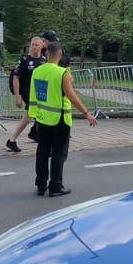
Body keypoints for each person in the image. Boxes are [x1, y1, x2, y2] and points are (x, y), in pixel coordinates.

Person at [29, 41, 97, 197]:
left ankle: (40, 184)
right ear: (59, 54)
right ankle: (55, 186)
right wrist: (87, 113)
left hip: (42, 117)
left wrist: (34, 114)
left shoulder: (37, 71)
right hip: (60, 119)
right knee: (59, 153)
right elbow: (71, 96)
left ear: (46, 54)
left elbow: (34, 95)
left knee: (42, 152)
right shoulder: (62, 73)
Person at [5, 37, 46, 154]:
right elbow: (15, 77)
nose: (34, 47)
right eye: (33, 45)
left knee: (28, 118)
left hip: (38, 92)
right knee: (33, 115)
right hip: (27, 92)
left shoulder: (44, 60)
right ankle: (36, 136)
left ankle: (13, 140)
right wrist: (17, 96)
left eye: (37, 45)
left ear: (42, 46)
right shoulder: (24, 60)